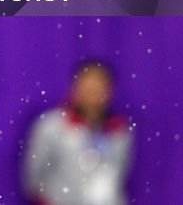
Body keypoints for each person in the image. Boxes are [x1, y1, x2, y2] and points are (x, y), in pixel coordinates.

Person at [22, 60, 132, 205]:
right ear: (75, 88)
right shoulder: (52, 125)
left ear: (109, 91)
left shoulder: (120, 131)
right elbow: (33, 177)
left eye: (98, 87)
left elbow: (118, 176)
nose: (93, 93)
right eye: (87, 87)